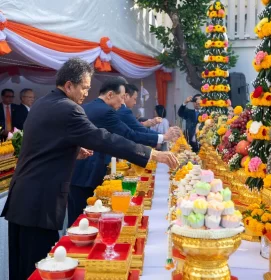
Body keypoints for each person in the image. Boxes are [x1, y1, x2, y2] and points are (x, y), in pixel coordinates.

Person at [1, 58, 178, 280]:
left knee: (23, 268)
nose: (86, 93)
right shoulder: (69, 109)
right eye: (84, 87)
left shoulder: (43, 103)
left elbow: (41, 144)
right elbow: (104, 139)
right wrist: (152, 153)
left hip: (23, 196)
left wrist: (71, 150)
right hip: (39, 200)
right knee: (41, 268)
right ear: (68, 85)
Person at [68, 77, 180, 226]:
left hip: (78, 171)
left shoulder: (89, 107)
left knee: (77, 221)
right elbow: (129, 135)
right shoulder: (106, 112)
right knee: (83, 221)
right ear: (109, 95)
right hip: (87, 173)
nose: (122, 103)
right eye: (121, 98)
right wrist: (161, 141)